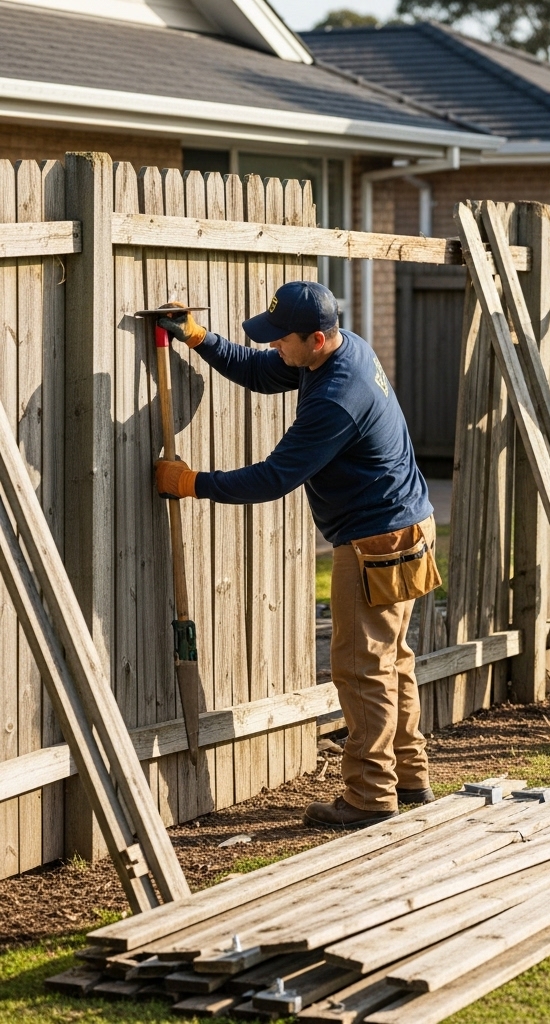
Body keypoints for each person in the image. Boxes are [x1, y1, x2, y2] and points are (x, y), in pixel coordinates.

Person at [155, 281, 439, 828]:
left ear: (315, 338)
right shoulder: (339, 347)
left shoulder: (337, 396)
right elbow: (264, 373)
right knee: (391, 662)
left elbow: (276, 476)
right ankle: (408, 776)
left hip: (376, 540)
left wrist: (192, 483)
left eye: (280, 339)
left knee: (361, 670)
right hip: (407, 525)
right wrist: (200, 338)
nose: (273, 347)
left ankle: (369, 797)